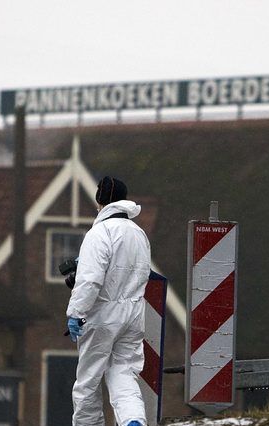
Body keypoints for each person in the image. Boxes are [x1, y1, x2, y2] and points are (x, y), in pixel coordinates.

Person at [66, 176, 151, 426]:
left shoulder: (99, 233)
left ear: (99, 201)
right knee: (124, 374)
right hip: (134, 316)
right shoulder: (139, 234)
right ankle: (133, 421)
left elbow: (90, 281)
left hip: (102, 317)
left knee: (87, 384)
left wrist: (76, 313)